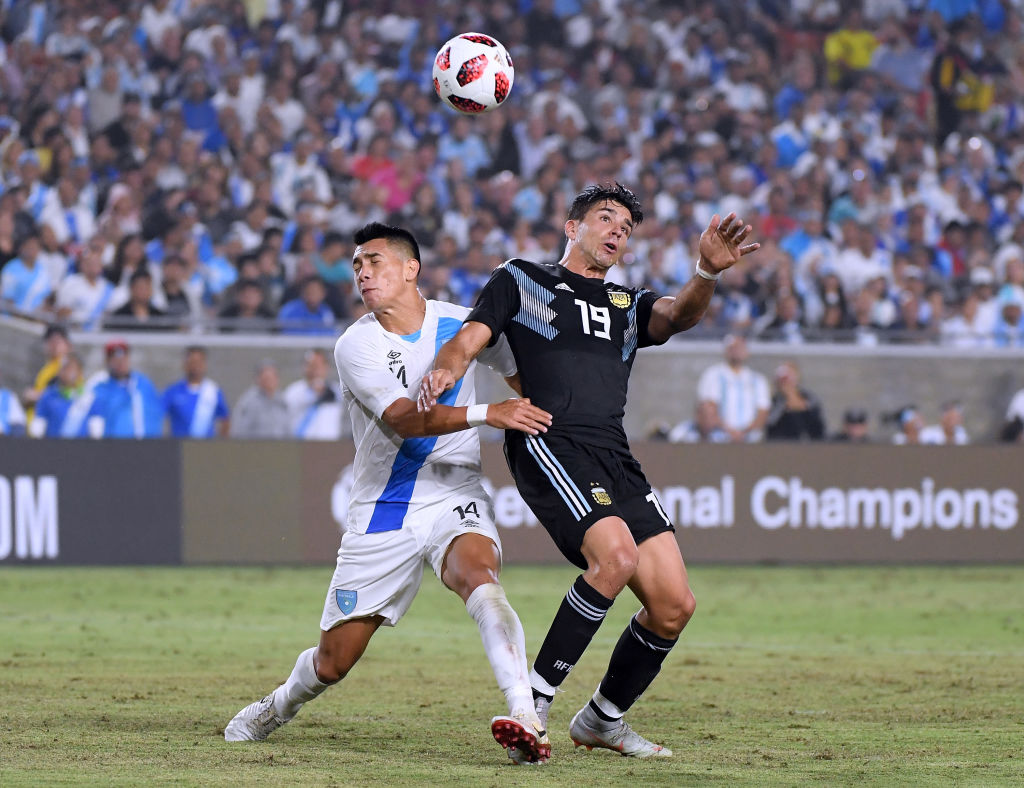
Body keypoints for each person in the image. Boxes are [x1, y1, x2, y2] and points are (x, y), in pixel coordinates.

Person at [419, 184, 759, 759]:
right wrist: (443, 369)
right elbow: (471, 338)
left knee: (675, 605)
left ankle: (602, 718)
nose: (617, 231)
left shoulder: (626, 304)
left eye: (626, 226)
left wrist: (705, 271)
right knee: (617, 557)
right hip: (548, 437)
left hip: (613, 453)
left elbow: (678, 315)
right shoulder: (521, 279)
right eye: (606, 218)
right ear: (571, 224)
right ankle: (533, 705)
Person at [224, 222, 555, 764]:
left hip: (454, 492)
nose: (362, 273)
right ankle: (278, 705)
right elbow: (404, 420)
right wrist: (487, 414)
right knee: (333, 663)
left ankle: (525, 713)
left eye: (373, 261)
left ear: (410, 269)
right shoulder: (357, 344)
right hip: (385, 512)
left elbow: (522, 377)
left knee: (481, 579)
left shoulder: (461, 324)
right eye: (357, 265)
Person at [696, 334, 770, 443]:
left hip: (750, 439)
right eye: (733, 348)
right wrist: (730, 431)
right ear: (726, 351)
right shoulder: (713, 375)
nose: (737, 351)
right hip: (720, 436)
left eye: (740, 348)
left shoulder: (758, 380)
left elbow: (763, 412)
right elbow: (708, 409)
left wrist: (744, 433)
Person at [84, 340, 165, 438]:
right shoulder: (100, 387)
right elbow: (94, 419)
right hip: (114, 447)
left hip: (145, 446)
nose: (120, 363)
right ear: (107, 361)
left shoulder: (143, 384)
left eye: (124, 358)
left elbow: (155, 414)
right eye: (115, 359)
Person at [162, 346, 230, 438]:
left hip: (206, 448)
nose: (195, 367)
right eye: (192, 362)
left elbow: (225, 419)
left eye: (199, 362)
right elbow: (158, 414)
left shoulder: (213, 391)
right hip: (180, 447)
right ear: (185, 364)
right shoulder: (173, 391)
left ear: (204, 365)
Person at [282, 348, 343, 440]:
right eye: (310, 365)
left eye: (318, 365)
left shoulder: (338, 391)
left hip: (331, 446)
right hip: (300, 446)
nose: (314, 370)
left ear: (326, 367)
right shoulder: (293, 392)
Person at [28, 353, 89, 438]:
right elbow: (37, 429)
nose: (68, 372)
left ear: (80, 372)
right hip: (54, 448)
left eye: (72, 368)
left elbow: (96, 431)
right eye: (64, 368)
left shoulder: (89, 397)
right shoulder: (48, 396)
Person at [229, 359, 292, 439]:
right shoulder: (248, 402)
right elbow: (238, 431)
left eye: (272, 378)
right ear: (258, 379)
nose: (270, 382)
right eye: (266, 378)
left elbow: (288, 429)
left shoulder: (282, 401)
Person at [21, 323, 72, 418]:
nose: (53, 346)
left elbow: (69, 394)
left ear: (67, 345)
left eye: (57, 341)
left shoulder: (68, 367)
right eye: (50, 341)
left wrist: (37, 396)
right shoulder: (45, 368)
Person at [765, 361, 825, 441]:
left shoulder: (810, 399)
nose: (787, 383)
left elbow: (819, 428)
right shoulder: (775, 403)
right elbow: (770, 424)